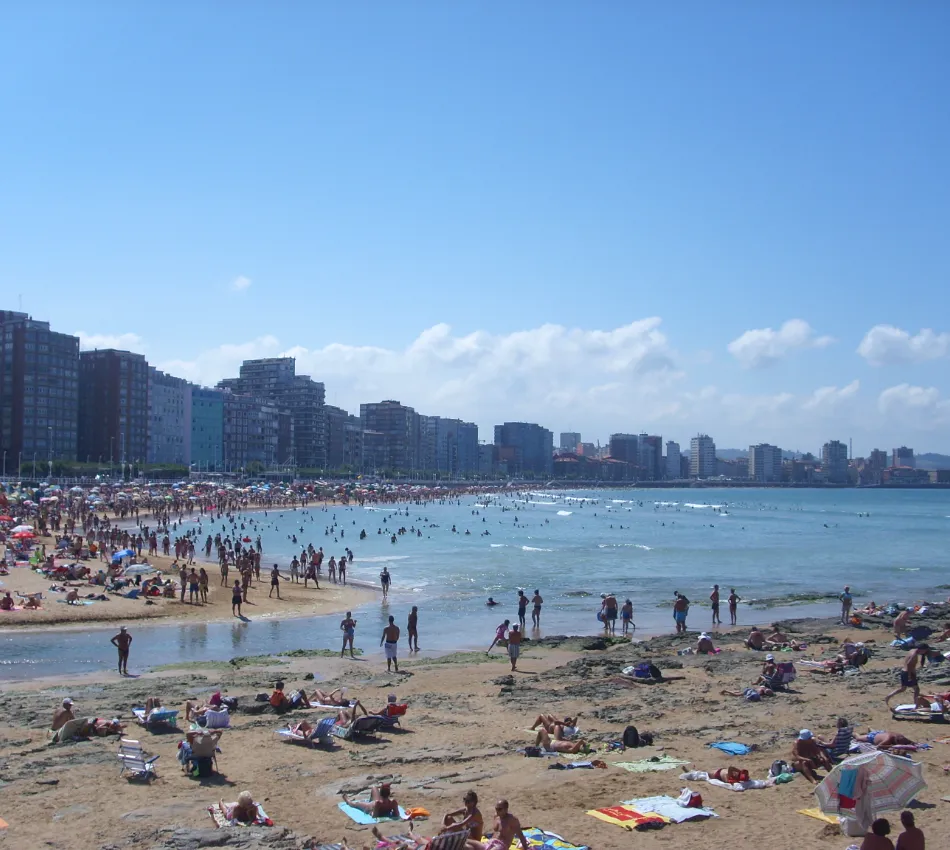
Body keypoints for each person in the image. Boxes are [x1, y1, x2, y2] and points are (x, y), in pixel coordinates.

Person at [885, 645, 931, 709]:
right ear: (922, 649)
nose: (924, 653)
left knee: (903, 689)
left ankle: (888, 696)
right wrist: (909, 676)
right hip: (908, 673)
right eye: (925, 651)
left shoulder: (912, 650)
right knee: (916, 689)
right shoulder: (914, 655)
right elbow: (909, 664)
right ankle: (916, 705)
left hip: (904, 672)